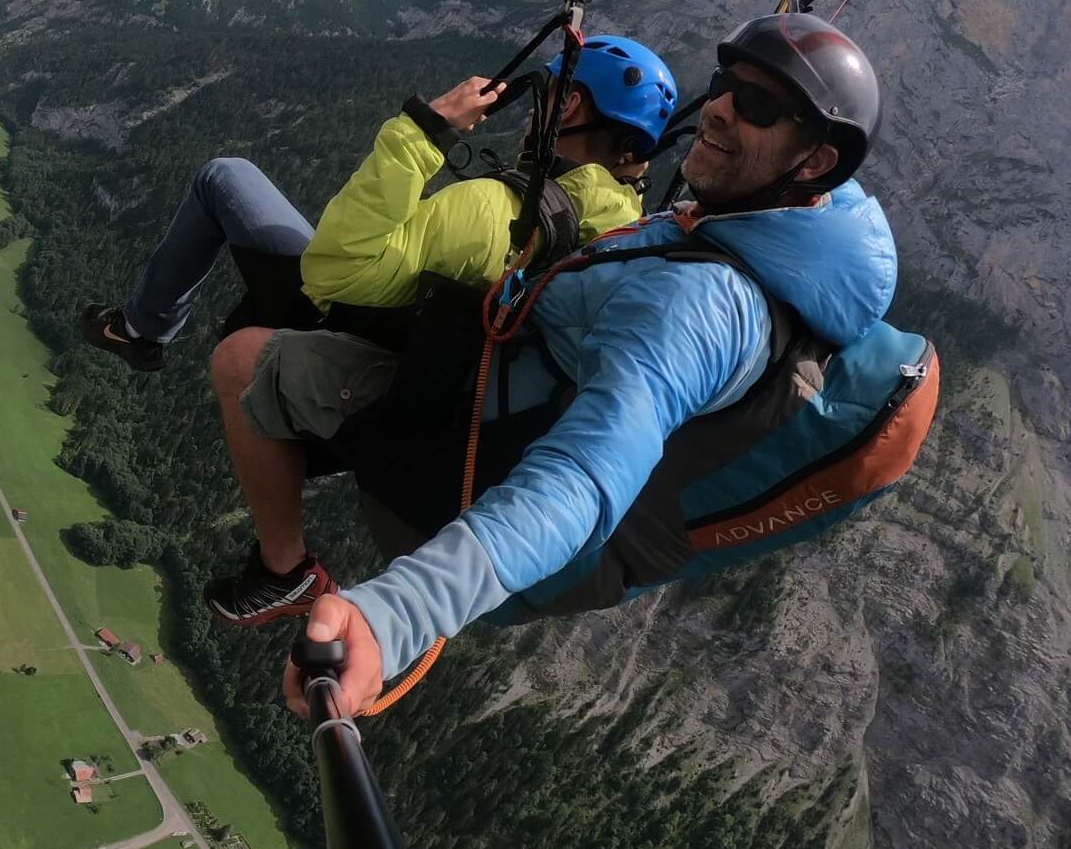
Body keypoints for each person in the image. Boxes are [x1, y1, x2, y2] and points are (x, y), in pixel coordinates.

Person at [249, 12, 897, 719]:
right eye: (723, 84)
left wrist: (398, 613)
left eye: (757, 103)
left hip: (460, 464)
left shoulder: (702, 305)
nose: (717, 108)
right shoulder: (775, 226)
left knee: (251, 360)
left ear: (815, 162)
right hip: (494, 407)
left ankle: (281, 567)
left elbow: (586, 474)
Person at [76, 38, 682, 623]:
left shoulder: (494, 211)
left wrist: (423, 131)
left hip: (391, 365)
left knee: (239, 347)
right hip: (438, 372)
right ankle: (140, 329)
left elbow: (336, 274)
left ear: (569, 105)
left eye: (541, 93)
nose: (530, 111)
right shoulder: (623, 229)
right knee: (227, 180)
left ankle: (283, 568)